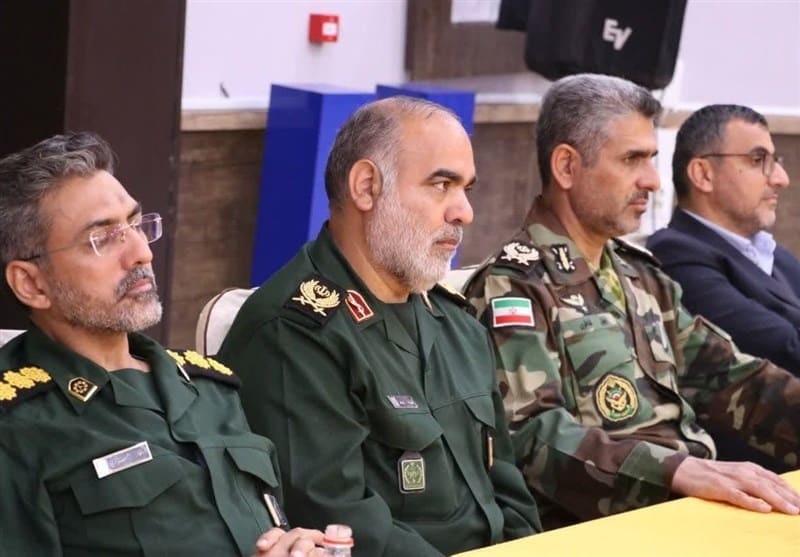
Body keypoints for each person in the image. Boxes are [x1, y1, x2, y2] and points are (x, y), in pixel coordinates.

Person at [462, 74, 800, 530]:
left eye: (651, 159)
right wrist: (676, 471)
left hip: (689, 513)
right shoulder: (515, 286)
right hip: (601, 529)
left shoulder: (640, 276)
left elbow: (732, 378)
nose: (653, 181)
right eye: (631, 159)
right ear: (567, 167)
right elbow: (530, 436)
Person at [218, 96, 542, 556]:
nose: (464, 212)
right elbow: (340, 524)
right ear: (367, 187)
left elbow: (509, 491)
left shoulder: (456, 325)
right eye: (442, 185)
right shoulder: (294, 333)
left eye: (466, 188)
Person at [0, 132, 325, 556]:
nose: (141, 253)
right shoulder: (19, 425)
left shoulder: (210, 388)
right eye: (103, 238)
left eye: (136, 225)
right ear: (32, 284)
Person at [647, 105, 799, 372]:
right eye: (757, 160)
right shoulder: (675, 254)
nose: (780, 178)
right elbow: (784, 349)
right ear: (703, 175)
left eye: (776, 161)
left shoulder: (774, 255)